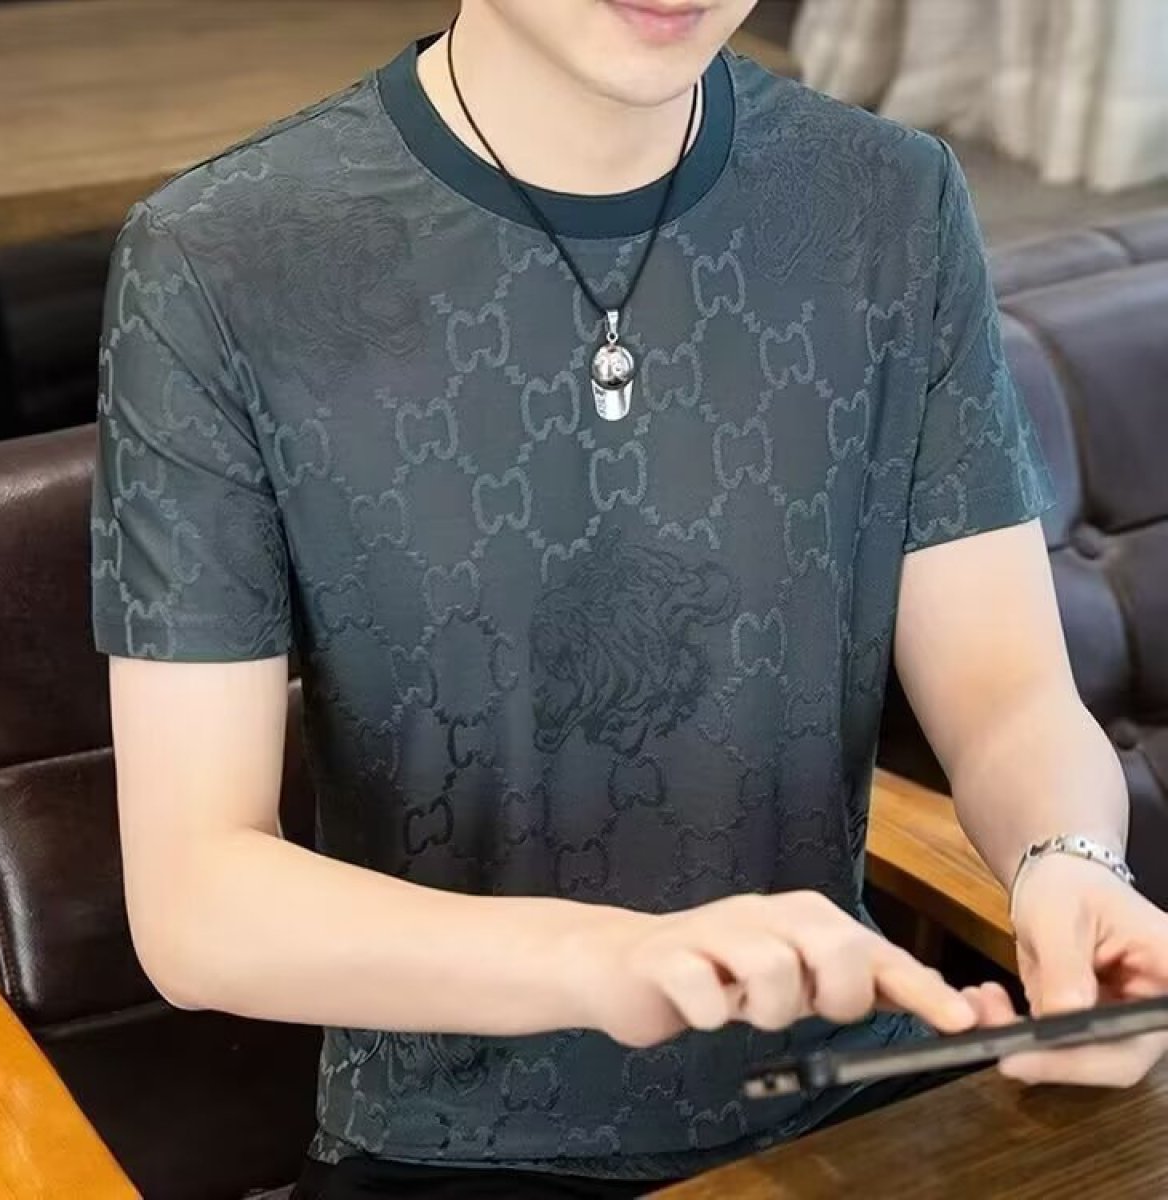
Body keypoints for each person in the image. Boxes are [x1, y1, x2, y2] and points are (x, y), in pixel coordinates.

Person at [89, 2, 1168, 1197]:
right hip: (455, 1147)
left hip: (849, 1093)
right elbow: (198, 901)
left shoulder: (892, 199)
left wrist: (1071, 861)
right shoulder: (221, 256)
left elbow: (1008, 695)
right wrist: (609, 961)